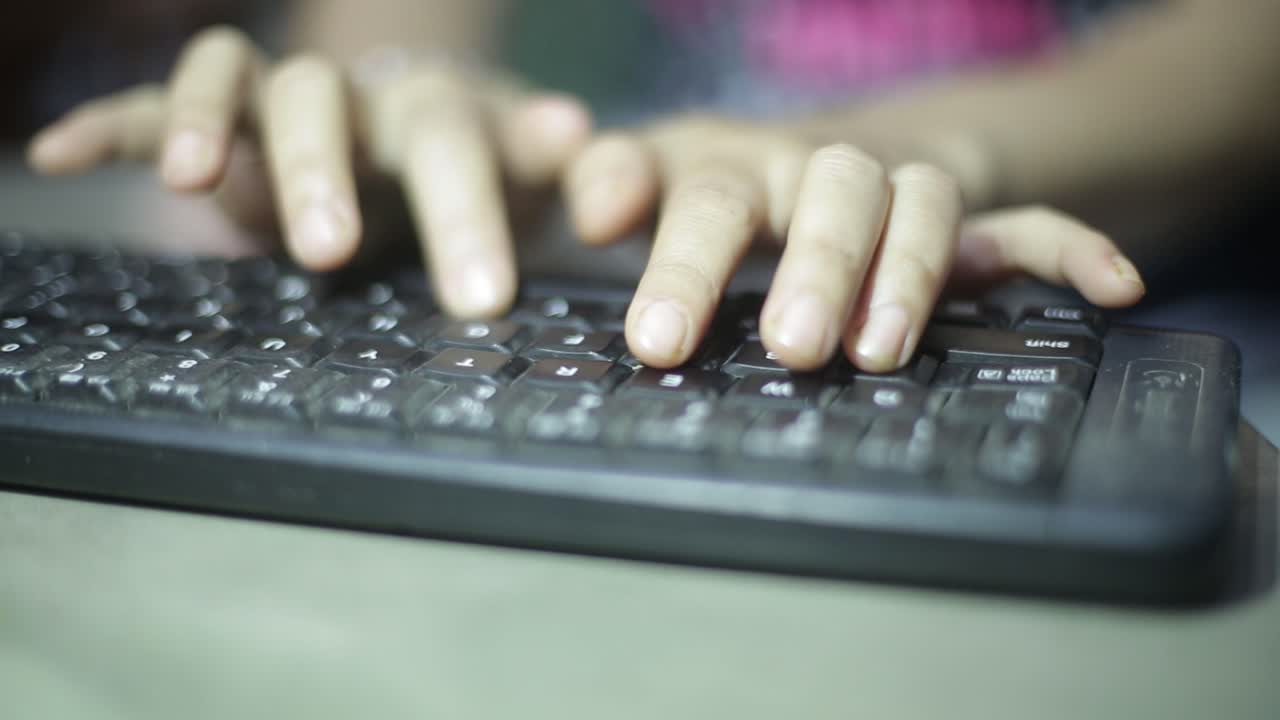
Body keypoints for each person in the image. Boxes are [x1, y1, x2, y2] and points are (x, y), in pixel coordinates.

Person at [24, 0, 1280, 373]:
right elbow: (382, 44)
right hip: (651, 277)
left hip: (1166, 329)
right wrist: (370, 135)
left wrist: (937, 150)